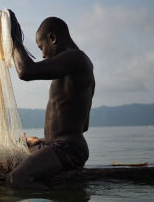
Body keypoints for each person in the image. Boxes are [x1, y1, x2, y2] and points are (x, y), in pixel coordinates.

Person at [8, 16, 95, 188]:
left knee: (15, 179)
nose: (42, 55)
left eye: (41, 47)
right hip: (56, 145)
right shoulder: (72, 66)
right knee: (8, 157)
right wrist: (41, 142)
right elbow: (83, 125)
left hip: (69, 148)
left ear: (53, 38)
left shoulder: (76, 58)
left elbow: (26, 71)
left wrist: (14, 39)